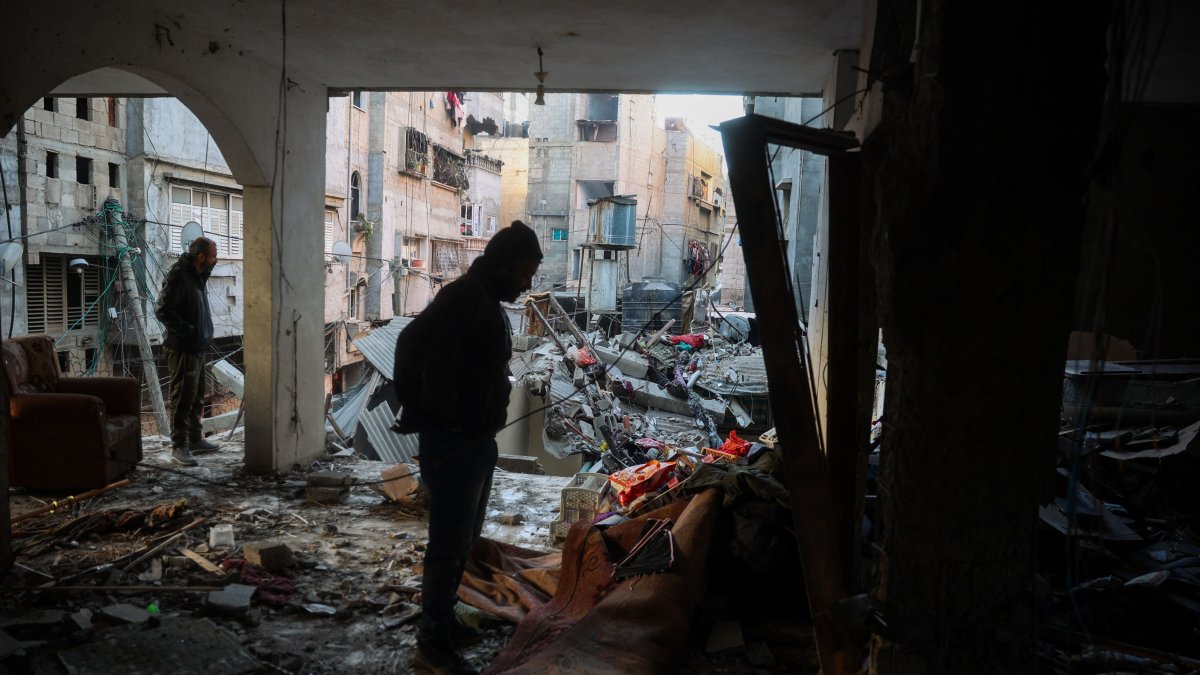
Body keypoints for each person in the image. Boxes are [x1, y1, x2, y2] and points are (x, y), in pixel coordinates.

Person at [392, 221, 542, 674]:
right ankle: (431, 644)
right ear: (506, 266)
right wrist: (427, 413)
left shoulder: (483, 299)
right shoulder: (464, 298)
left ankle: (445, 618)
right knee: (447, 544)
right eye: (526, 273)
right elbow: (408, 343)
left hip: (474, 442)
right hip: (455, 445)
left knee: (463, 542)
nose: (528, 283)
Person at [155, 236, 221, 467]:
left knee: (195, 397)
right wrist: (190, 332)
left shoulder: (196, 276)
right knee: (182, 397)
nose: (216, 260)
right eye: (213, 255)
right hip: (183, 349)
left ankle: (194, 439)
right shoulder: (178, 276)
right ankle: (179, 446)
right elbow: (162, 311)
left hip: (196, 348)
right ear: (201, 256)